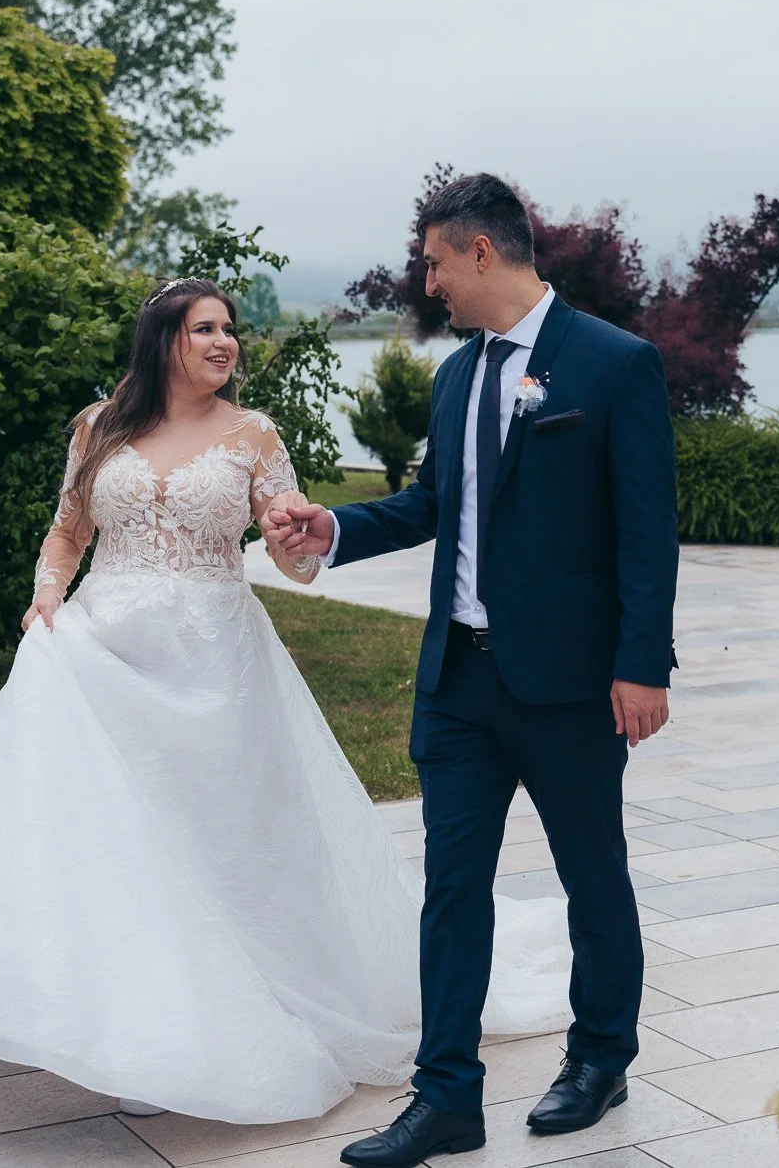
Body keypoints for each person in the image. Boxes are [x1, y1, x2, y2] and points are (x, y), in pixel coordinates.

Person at [0, 277, 567, 1125]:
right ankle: (116, 1013)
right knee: (113, 840)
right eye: (204, 327)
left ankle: (225, 1014)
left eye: (230, 329)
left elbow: (294, 558)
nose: (224, 342)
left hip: (217, 667)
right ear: (164, 337)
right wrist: (47, 595)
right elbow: (69, 529)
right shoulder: (99, 427)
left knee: (226, 844)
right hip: (105, 655)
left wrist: (296, 538)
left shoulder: (254, 435)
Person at [266, 173, 679, 1167]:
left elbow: (648, 529)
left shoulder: (616, 365)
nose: (430, 281)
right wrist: (332, 530)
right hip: (458, 681)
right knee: (453, 887)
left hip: (574, 683)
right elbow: (428, 503)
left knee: (593, 872)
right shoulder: (456, 377)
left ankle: (600, 1052)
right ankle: (446, 1093)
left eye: (437, 263)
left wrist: (641, 663)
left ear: (482, 252)